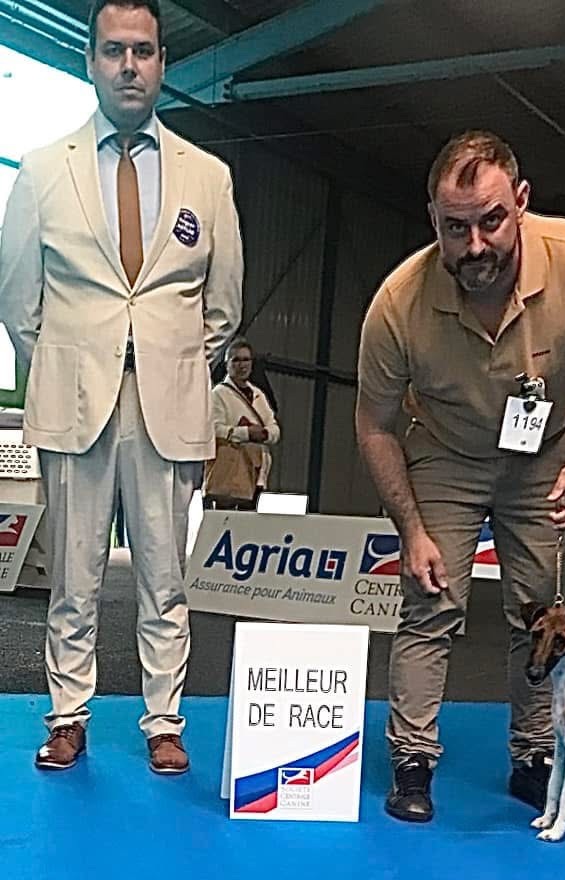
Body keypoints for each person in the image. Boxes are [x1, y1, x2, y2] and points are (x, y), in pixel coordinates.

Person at [355, 130, 565, 823]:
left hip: (549, 452)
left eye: (491, 221)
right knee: (429, 603)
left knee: (540, 613)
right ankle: (412, 758)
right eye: (454, 228)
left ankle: (534, 755)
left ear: (521, 201)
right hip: (446, 453)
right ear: (433, 219)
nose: (475, 246)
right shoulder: (398, 302)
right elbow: (374, 425)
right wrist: (411, 529)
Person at [0, 0, 243, 774]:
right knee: (72, 577)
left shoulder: (210, 177)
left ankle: (164, 721)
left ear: (164, 63)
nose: (129, 65)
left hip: (167, 401)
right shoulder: (43, 169)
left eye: (143, 50)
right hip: (75, 398)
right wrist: (74, 361)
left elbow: (223, 308)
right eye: (114, 51)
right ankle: (67, 716)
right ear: (91, 62)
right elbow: (18, 300)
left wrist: (167, 362)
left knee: (164, 577)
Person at [205, 338, 280, 510]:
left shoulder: (258, 395)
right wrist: (246, 433)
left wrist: (265, 434)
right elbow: (214, 429)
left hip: (257, 470)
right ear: (227, 364)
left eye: (246, 360)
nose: (242, 365)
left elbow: (274, 428)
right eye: (236, 360)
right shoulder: (218, 394)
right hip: (230, 472)